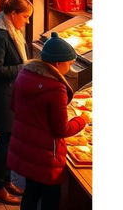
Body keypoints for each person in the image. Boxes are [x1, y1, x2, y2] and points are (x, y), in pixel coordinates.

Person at [8, 33, 88, 210]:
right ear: (58, 63)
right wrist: (82, 120)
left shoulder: (24, 74)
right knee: (51, 199)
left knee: (31, 193)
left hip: (26, 147)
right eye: (69, 63)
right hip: (46, 155)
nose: (70, 66)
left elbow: (14, 105)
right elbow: (61, 129)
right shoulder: (56, 88)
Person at [0, 0, 33, 205]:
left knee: (10, 140)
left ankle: (5, 181)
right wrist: (24, 67)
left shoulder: (12, 31)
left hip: (11, 94)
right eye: (25, 17)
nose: (27, 21)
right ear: (12, 14)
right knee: (5, 141)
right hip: (3, 96)